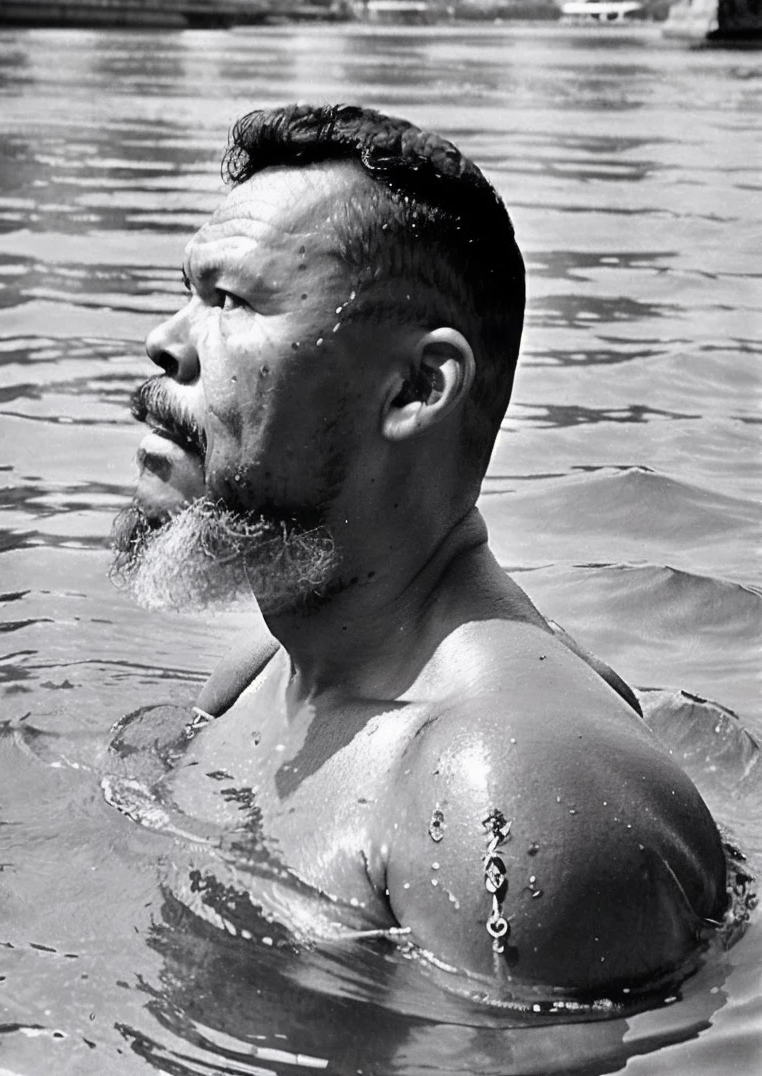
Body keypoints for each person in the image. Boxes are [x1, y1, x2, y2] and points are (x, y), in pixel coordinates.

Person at [110, 103, 727, 1001]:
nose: (164, 342)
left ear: (415, 387)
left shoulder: (508, 792)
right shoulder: (262, 670)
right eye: (187, 293)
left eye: (231, 300)